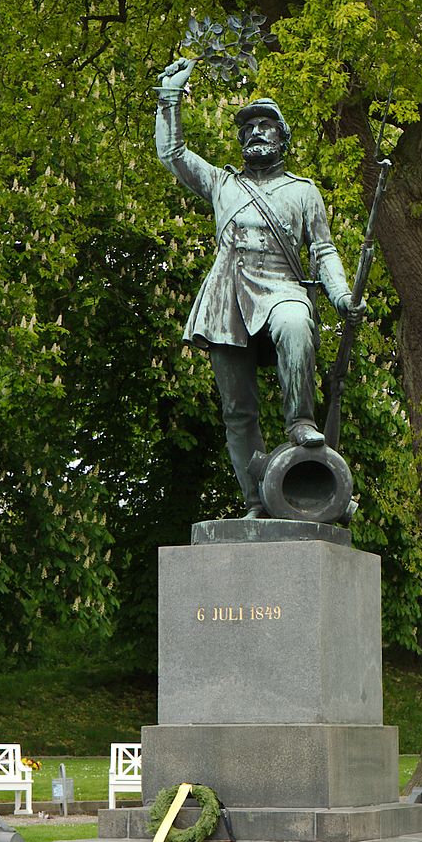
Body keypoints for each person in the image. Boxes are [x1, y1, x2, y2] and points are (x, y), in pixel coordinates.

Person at [155, 57, 365, 517]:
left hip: (280, 288)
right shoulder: (221, 183)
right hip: (226, 298)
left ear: (283, 137)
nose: (255, 133)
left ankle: (301, 423)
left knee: (295, 324)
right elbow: (172, 155)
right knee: (237, 411)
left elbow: (323, 251)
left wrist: (342, 295)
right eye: (248, 127)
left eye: (266, 125)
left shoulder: (303, 191)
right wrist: (170, 97)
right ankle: (258, 499)